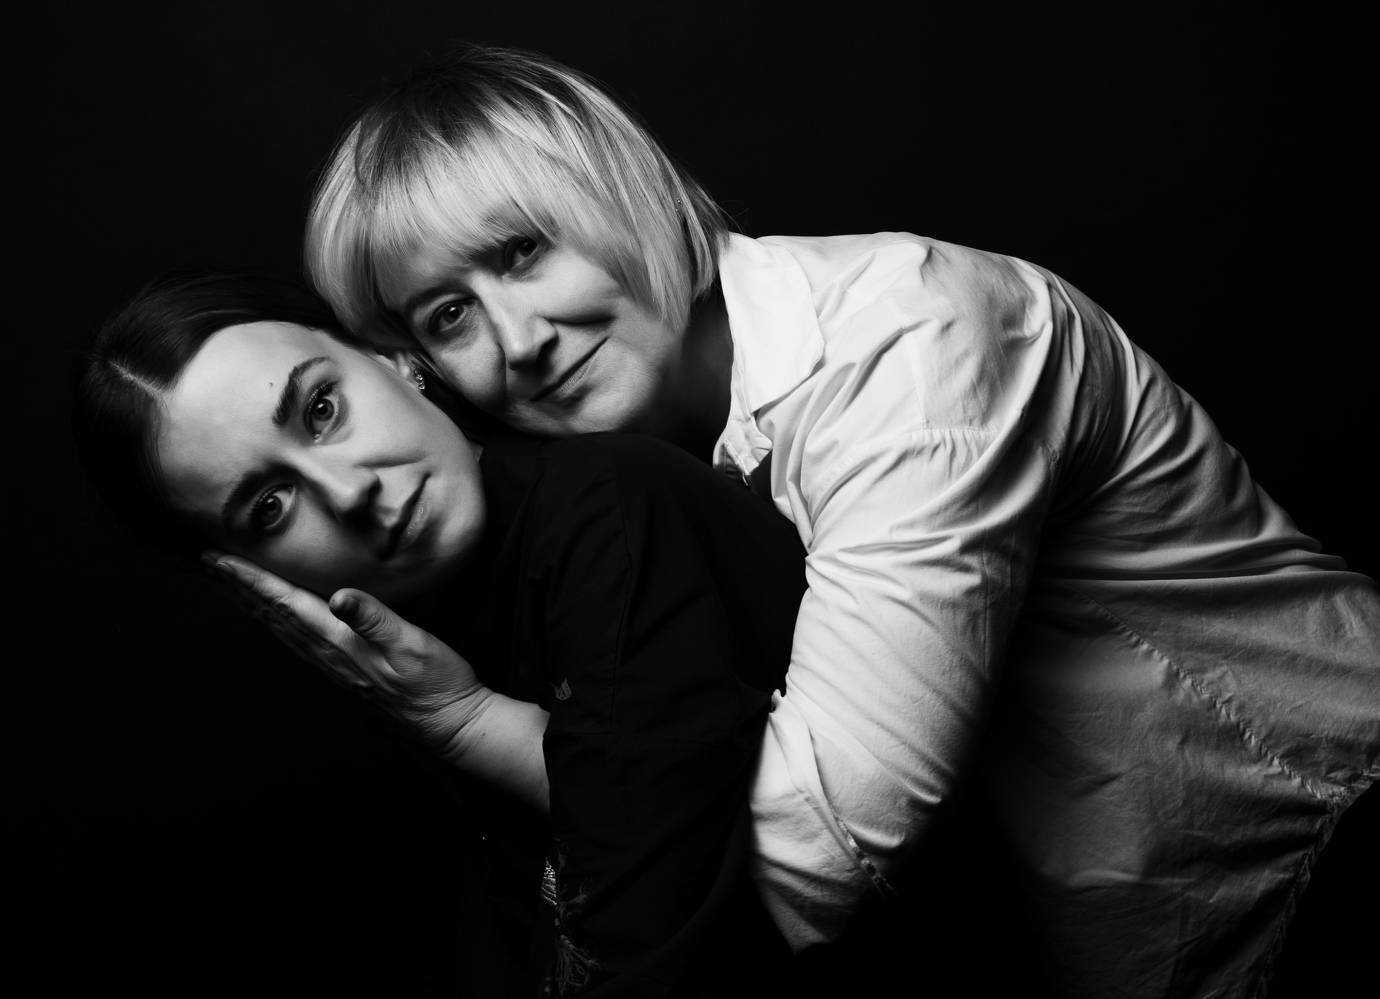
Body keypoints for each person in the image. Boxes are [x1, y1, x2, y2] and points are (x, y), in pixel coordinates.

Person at [212, 44, 1380, 998]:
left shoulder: (905, 347)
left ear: (622, 193)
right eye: (450, 315)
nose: (518, 341)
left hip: (1311, 845)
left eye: (523, 253)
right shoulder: (605, 485)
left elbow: (824, 848)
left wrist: (480, 727)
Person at [71, 271, 815, 997]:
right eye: (269, 505)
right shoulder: (406, 657)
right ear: (245, 573)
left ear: (392, 358)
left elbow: (652, 932)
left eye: (322, 408)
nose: (348, 490)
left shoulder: (604, 506)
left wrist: (464, 720)